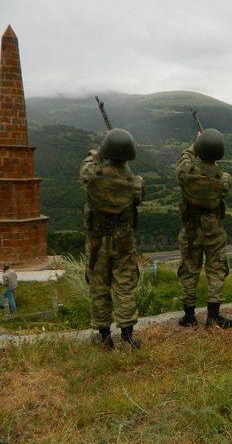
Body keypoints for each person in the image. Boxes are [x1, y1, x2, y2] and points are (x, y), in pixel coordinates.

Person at [81, 128, 145, 349]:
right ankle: (127, 337)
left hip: (98, 243)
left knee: (99, 288)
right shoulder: (136, 183)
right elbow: (133, 190)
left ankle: (104, 338)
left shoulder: (92, 176)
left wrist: (100, 150)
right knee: (125, 287)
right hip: (124, 243)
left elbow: (87, 165)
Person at [176, 128, 232, 329]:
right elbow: (220, 184)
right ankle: (213, 317)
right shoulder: (223, 178)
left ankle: (189, 316)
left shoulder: (186, 171)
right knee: (216, 270)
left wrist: (196, 143)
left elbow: (185, 157)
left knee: (189, 270)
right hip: (214, 232)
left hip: (190, 230)